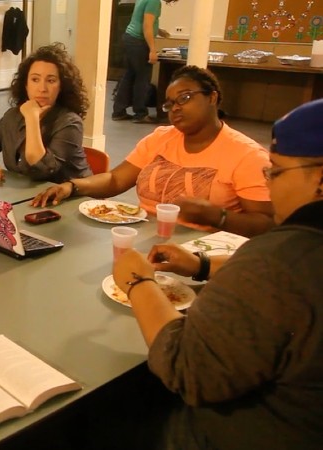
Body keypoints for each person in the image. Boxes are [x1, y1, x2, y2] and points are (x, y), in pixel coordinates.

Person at [111, 98, 323, 449]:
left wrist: (138, 282)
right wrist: (203, 265)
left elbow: (186, 367)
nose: (268, 184)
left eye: (276, 171)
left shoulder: (274, 263)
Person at [32, 65, 274, 238]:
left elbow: (266, 224)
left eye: (185, 98)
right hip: (142, 238)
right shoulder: (161, 138)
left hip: (200, 254)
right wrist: (72, 186)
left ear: (212, 97)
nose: (175, 109)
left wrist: (218, 217)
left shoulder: (247, 155)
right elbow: (116, 179)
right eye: (170, 104)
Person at [0, 43, 92, 183]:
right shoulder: (13, 116)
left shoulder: (70, 122)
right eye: (35, 80)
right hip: (32, 197)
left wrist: (32, 118)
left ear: (61, 86)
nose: (42, 88)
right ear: (26, 85)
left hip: (73, 198)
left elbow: (41, 168)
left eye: (51, 80)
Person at [112, 0, 178, 124]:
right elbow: (147, 25)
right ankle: (140, 114)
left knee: (129, 76)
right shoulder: (154, 2)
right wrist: (152, 50)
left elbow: (141, 20)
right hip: (138, 42)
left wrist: (158, 30)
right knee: (143, 78)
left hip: (129, 39)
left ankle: (118, 111)